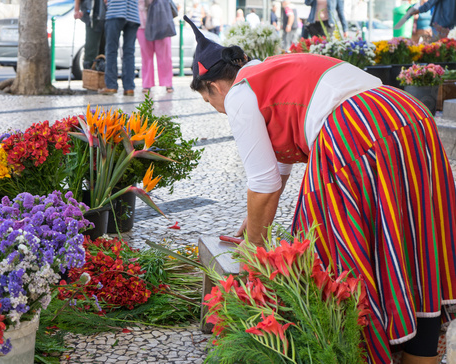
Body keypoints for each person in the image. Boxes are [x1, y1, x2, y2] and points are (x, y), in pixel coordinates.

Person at [183, 14, 456, 364]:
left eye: (210, 103)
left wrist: (255, 256)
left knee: (331, 248)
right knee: (417, 238)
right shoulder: (272, 70)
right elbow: (275, 174)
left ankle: (363, 348)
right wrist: (250, 224)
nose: (218, 110)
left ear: (214, 87)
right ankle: (422, 356)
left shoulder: (238, 93)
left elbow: (263, 184)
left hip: (355, 129)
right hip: (409, 117)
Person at [99, 0, 140, 96]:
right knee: (129, 52)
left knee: (111, 50)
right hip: (133, 13)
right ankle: (129, 87)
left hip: (116, 10)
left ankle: (111, 85)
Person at [137, 0, 174, 93]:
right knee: (146, 57)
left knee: (165, 56)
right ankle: (147, 83)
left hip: (160, 23)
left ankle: (168, 83)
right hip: (142, 25)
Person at [74, 0, 106, 70]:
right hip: (92, 17)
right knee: (91, 53)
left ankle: (101, 75)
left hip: (107, 18)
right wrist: (77, 10)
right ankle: (90, 75)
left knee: (104, 53)